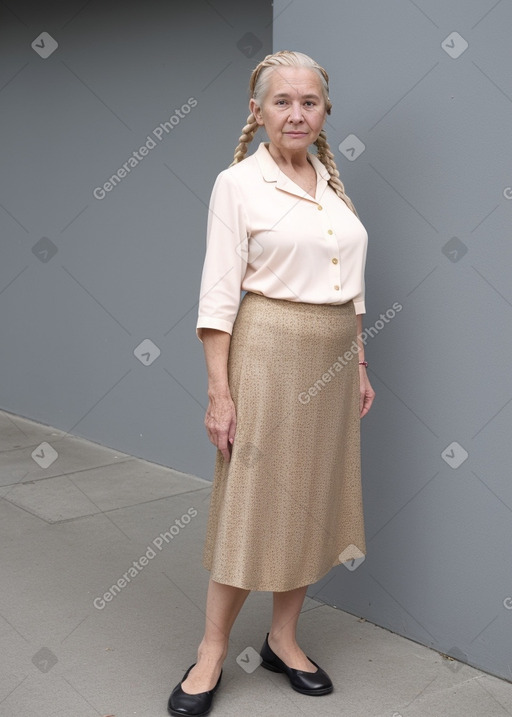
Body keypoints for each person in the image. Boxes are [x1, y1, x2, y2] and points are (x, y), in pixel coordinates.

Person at [168, 49, 375, 716]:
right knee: (251, 503)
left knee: (315, 500)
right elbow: (217, 297)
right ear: (256, 112)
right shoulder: (238, 185)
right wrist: (219, 392)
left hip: (335, 361)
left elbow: (352, 288)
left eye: (308, 101)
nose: (296, 112)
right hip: (268, 354)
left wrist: (362, 364)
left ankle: (284, 636)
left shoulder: (332, 186)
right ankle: (209, 651)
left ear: (324, 113)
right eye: (281, 101)